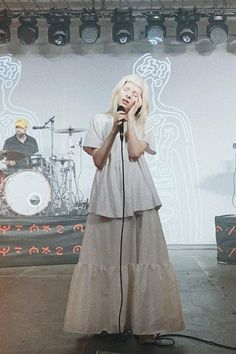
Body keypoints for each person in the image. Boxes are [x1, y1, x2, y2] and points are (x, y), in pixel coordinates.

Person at [64, 74, 185, 343]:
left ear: (141, 101)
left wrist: (130, 121)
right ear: (117, 93)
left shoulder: (145, 124)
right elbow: (97, 159)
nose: (129, 94)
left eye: (136, 93)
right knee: (105, 258)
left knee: (143, 256)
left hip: (139, 194)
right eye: (126, 90)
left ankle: (145, 325)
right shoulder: (99, 119)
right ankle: (105, 320)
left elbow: (134, 152)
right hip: (108, 195)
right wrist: (112, 128)